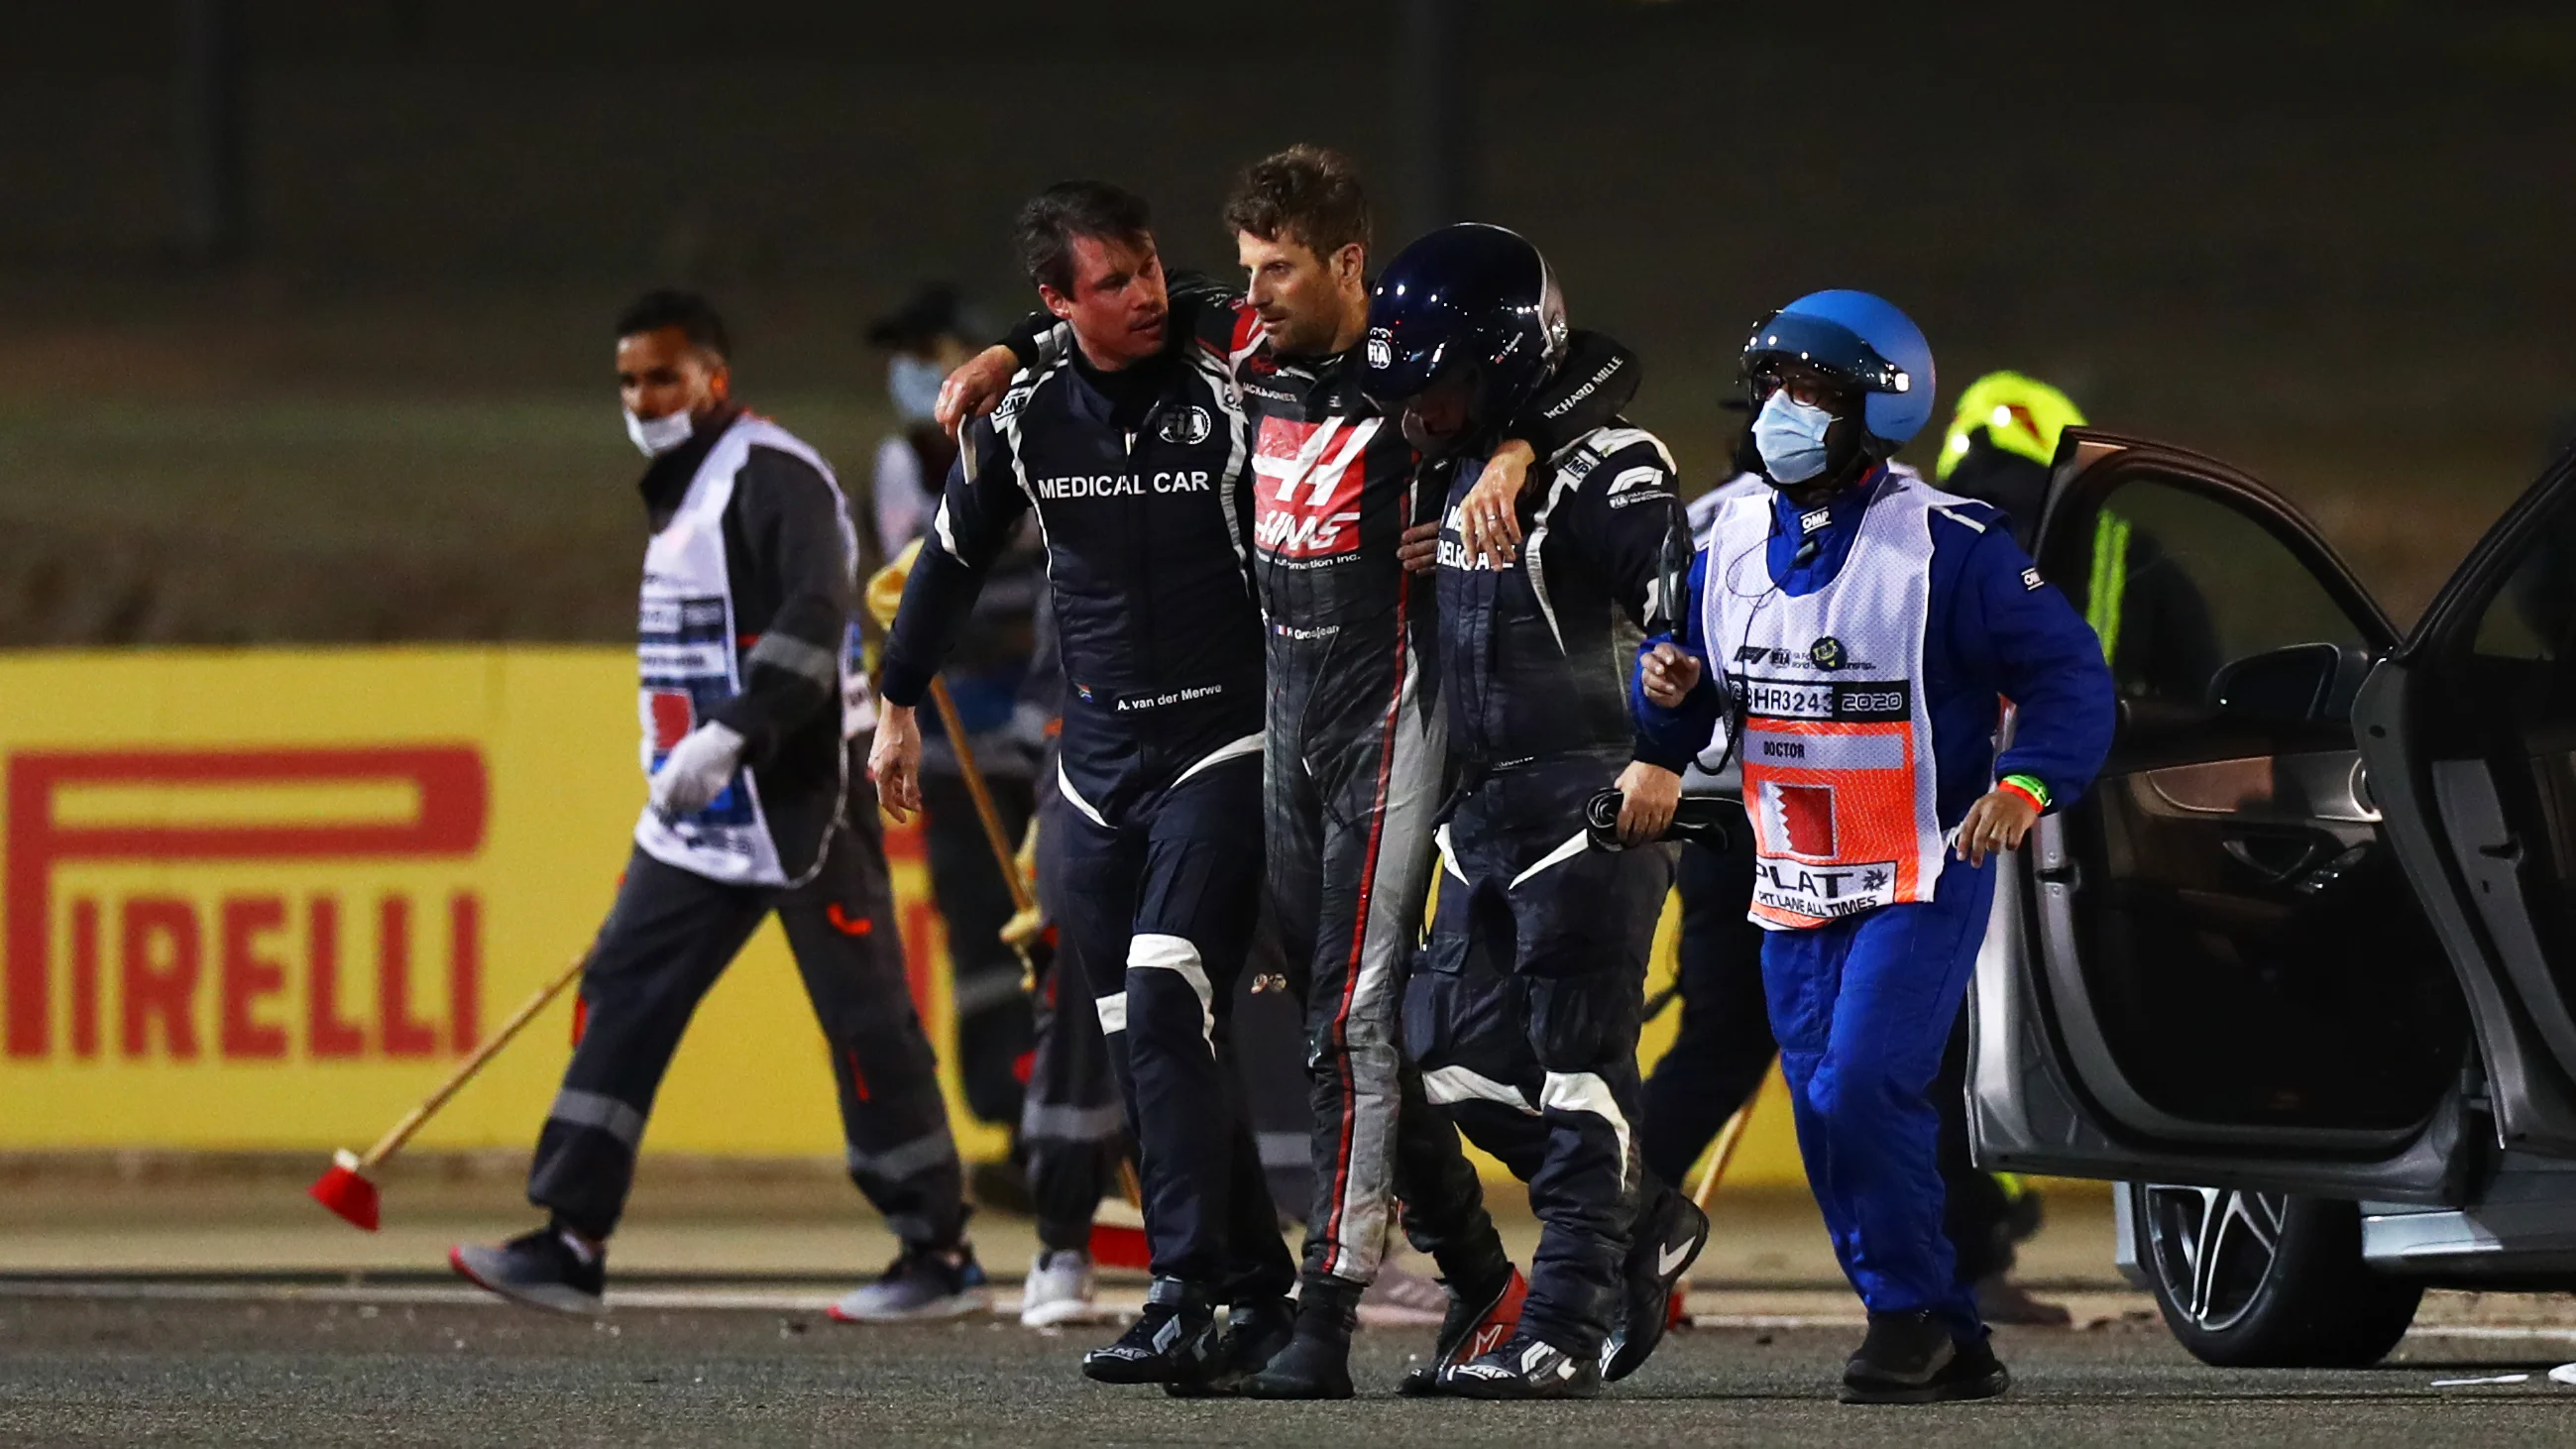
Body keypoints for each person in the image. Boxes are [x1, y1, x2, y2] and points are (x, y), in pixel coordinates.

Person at [941, 146, 1648, 1398]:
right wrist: (1011, 347)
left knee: (1349, 1025)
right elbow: (1090, 320)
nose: (1246, 292)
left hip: (1385, 717)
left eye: (1276, 270)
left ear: (1347, 264)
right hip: (1284, 727)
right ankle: (1488, 1277)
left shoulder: (1408, 371)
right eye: (1248, 268)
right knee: (1345, 1032)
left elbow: (1593, 361)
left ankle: (1325, 1306)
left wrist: (1515, 451)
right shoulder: (1243, 350)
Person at [450, 290, 981, 1321]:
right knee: (622, 988)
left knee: (863, 1013)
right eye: (628, 381)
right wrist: (691, 756)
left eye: (662, 377)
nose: (643, 398)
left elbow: (815, 614)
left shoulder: (770, 475)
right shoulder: (685, 490)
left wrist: (733, 730)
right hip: (696, 810)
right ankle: (571, 1234)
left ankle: (936, 1248)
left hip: (799, 792)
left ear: (714, 378)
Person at [1634, 291, 2116, 1403]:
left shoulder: (1951, 549)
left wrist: (2028, 782)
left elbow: (2069, 677)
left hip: (1917, 872)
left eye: (1809, 394)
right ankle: (1943, 1326)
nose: (1779, 413)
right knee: (1821, 1109)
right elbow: (1685, 704)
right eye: (1772, 389)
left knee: (1862, 1085)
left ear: (1871, 415)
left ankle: (1902, 1314)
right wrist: (1663, 693)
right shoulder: (1729, 540)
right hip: (1788, 877)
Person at [872, 181, 1295, 1391]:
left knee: (1165, 1003)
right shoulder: (1023, 424)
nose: (1147, 292)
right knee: (1139, 1036)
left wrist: (1021, 335)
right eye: (1110, 282)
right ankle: (1254, 1290)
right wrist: (896, 709)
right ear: (1062, 294)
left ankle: (1181, 1287)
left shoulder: (1221, 373)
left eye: (1148, 268)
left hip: (1226, 746)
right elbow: (943, 569)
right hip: (1096, 769)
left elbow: (1242, 307)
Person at [1356, 222, 1700, 1399]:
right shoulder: (1465, 455)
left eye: (1440, 386)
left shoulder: (1611, 467)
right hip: (1482, 816)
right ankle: (1642, 1220)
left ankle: (1558, 1320)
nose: (1415, 411)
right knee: (1439, 1057)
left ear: (1506, 362)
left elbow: (1680, 618)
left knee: (1579, 1067)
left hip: (1588, 811)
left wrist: (1660, 759)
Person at [865, 285, 1047, 1151]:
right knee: (981, 933)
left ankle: (1090, 1126)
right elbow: (914, 582)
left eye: (926, 349)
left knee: (1067, 923)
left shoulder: (1045, 432)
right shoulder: (903, 460)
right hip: (955, 741)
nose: (910, 372)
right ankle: (1016, 1122)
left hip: (1053, 733)